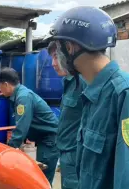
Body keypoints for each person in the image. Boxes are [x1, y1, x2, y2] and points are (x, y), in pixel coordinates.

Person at [44, 6, 129, 189]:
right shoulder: (93, 93)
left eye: (58, 51)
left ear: (70, 48)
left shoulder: (128, 93)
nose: (55, 60)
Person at [0, 67, 59, 186]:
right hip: (43, 138)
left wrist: (9, 150)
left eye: (0, 86)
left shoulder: (23, 97)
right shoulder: (19, 94)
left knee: (43, 178)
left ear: (6, 84)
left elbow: (21, 127)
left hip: (49, 139)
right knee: (39, 175)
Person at [47, 41, 86, 189]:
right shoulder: (70, 82)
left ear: (69, 53)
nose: (53, 63)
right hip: (66, 155)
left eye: (56, 57)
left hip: (76, 157)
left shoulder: (83, 82)